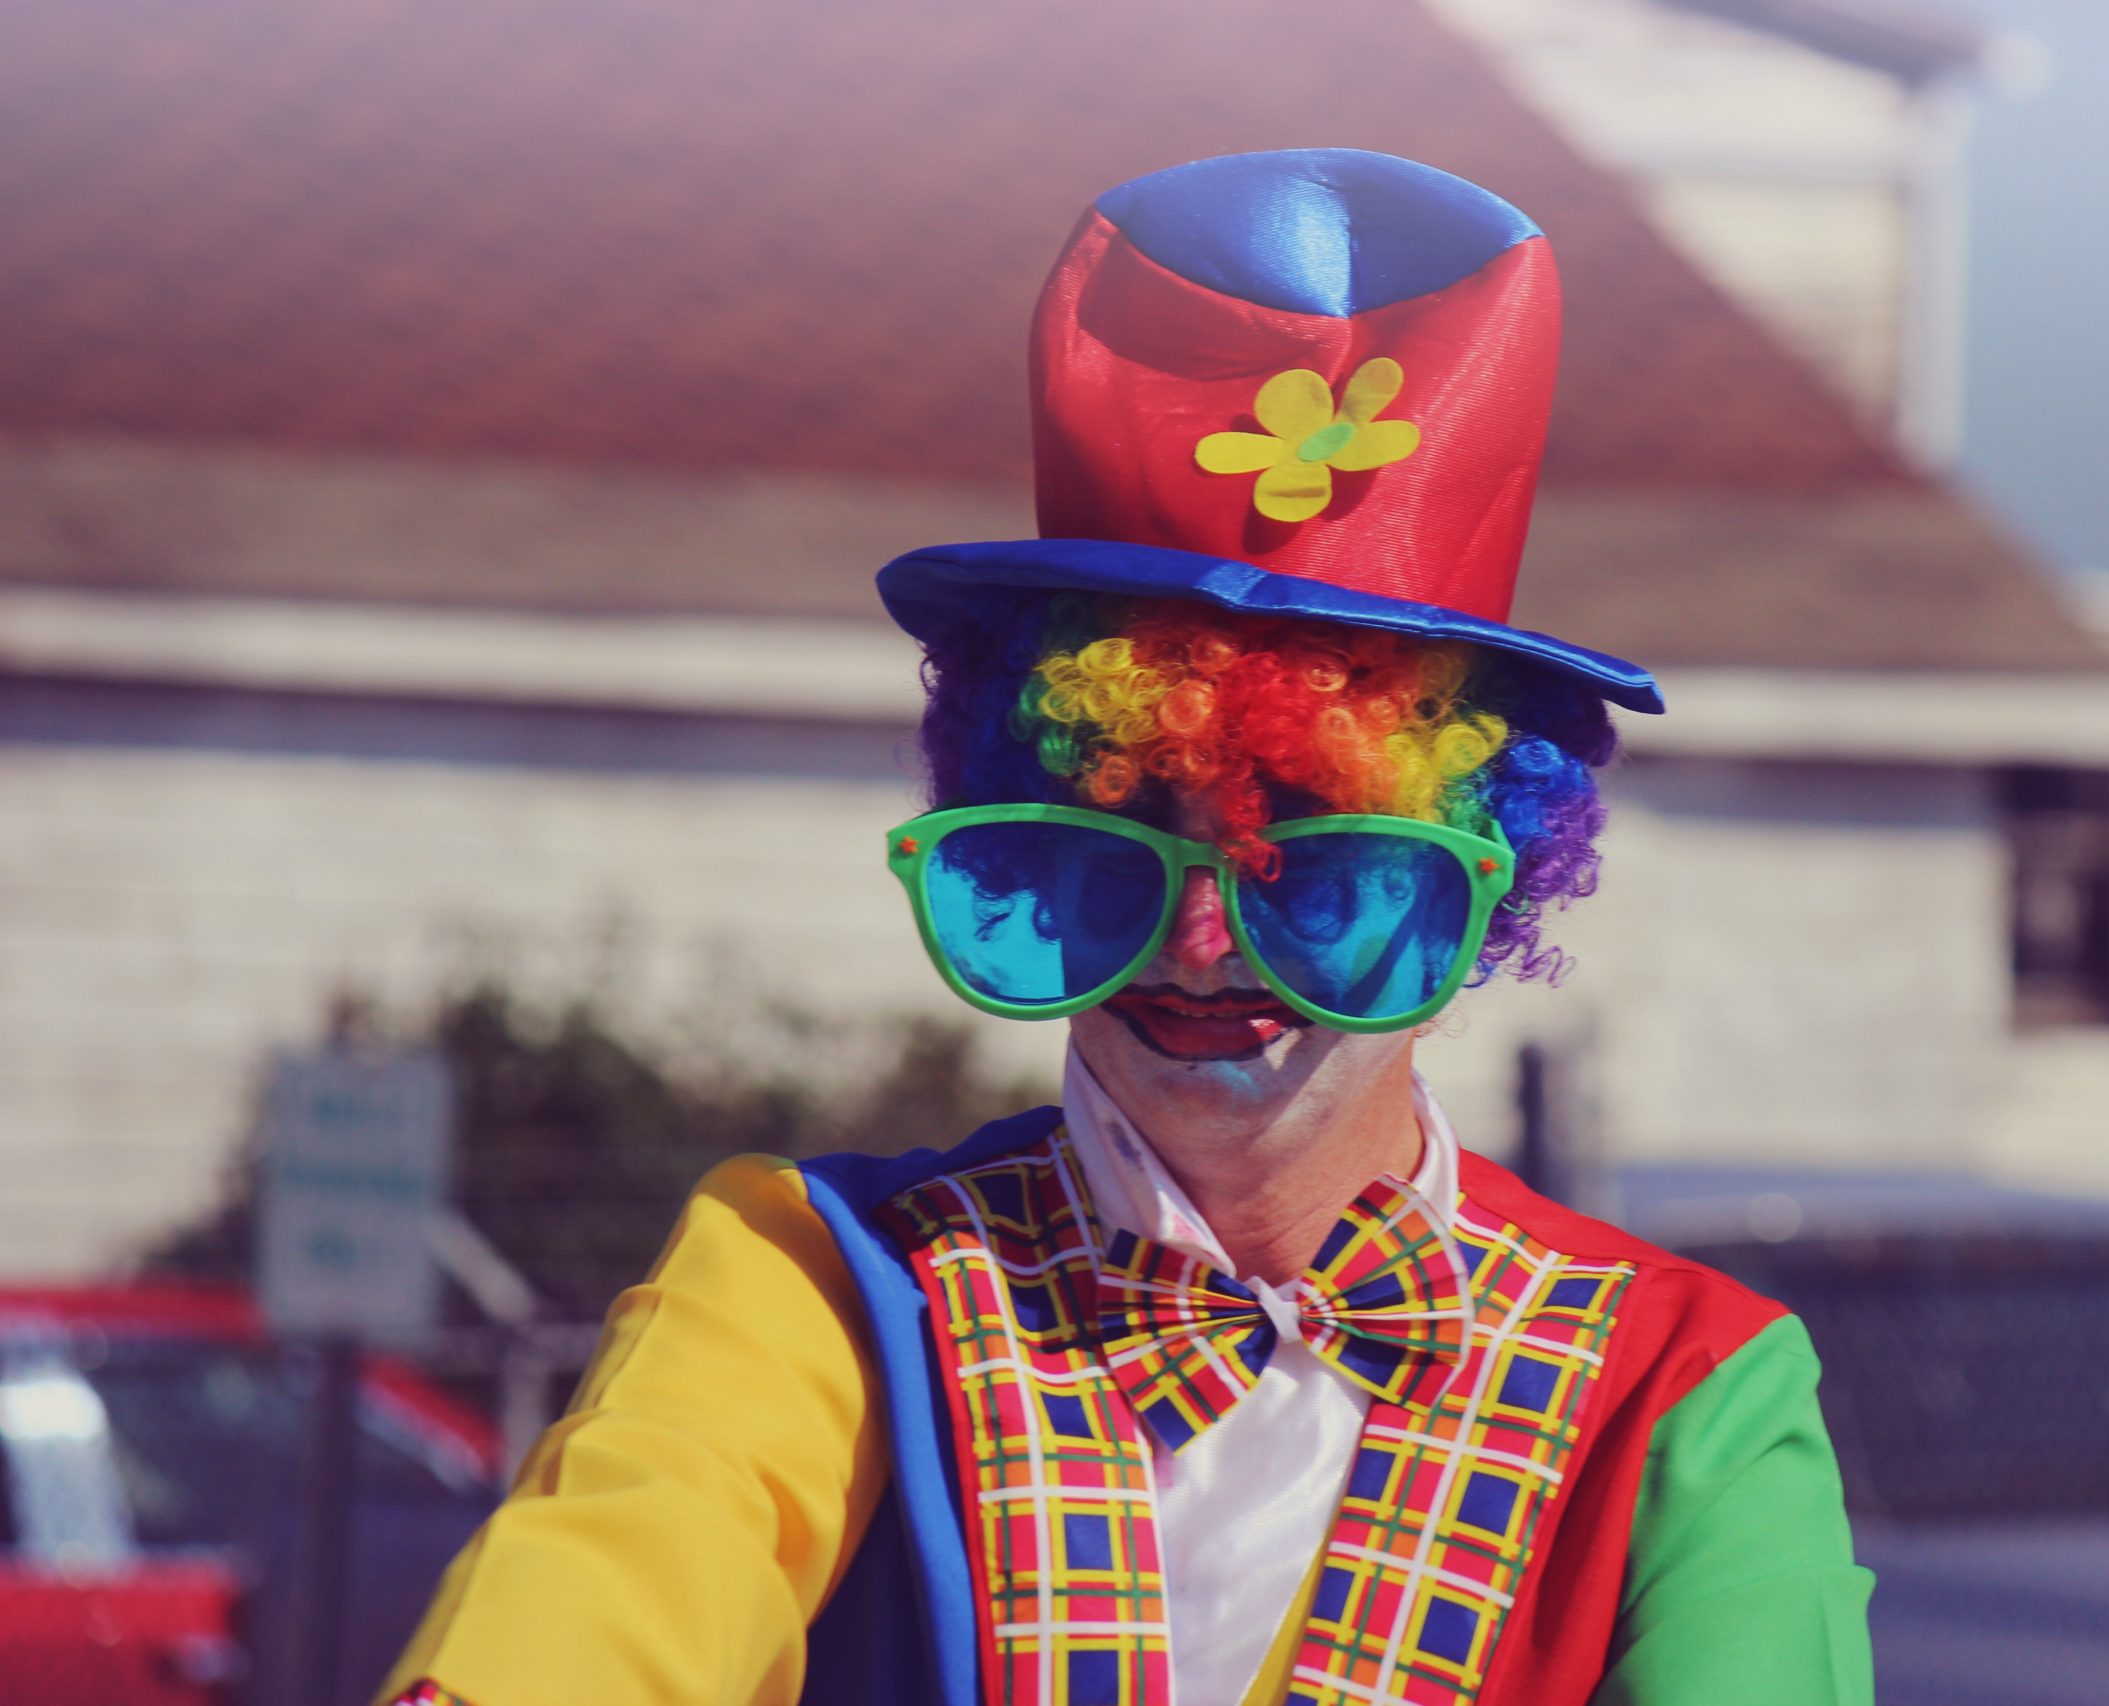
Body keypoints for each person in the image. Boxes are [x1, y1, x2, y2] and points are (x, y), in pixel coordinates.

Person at [381, 147, 1873, 1706]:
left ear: (1481, 885)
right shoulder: (814, 1281)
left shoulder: (1689, 1388)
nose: (1205, 938)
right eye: (1115, 853)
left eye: (1322, 864)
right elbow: (600, 1596)